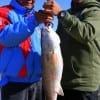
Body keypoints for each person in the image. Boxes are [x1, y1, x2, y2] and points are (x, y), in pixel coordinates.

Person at [43, 0, 100, 100]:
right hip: (62, 82)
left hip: (83, 85)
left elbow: (86, 33)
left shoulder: (95, 12)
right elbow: (57, 40)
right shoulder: (67, 14)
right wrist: (48, 24)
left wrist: (62, 14)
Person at [0, 0, 52, 100]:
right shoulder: (3, 12)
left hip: (39, 82)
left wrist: (48, 24)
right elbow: (4, 37)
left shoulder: (38, 16)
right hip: (13, 84)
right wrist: (33, 21)